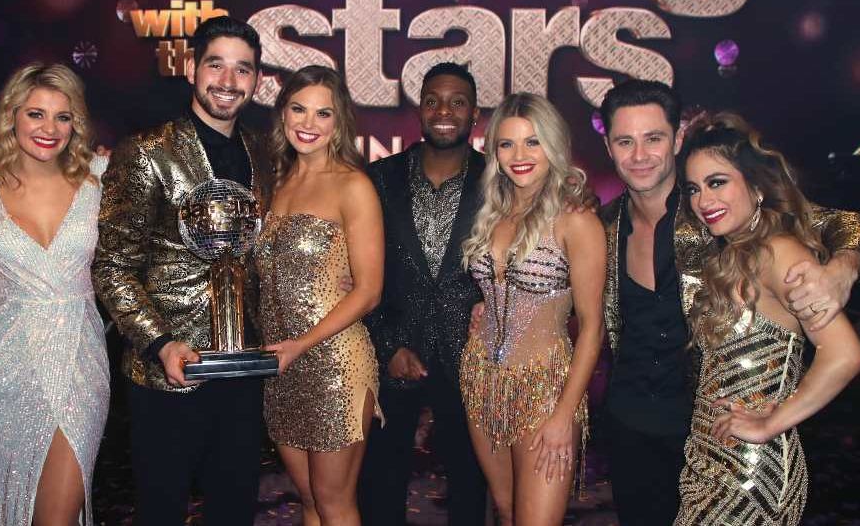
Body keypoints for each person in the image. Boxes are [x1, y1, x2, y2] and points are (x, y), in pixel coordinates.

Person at [595, 80, 860, 525]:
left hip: (717, 431)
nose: (640, 155)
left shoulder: (719, 206)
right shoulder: (603, 225)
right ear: (609, 147)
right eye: (625, 141)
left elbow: (846, 225)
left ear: (677, 138)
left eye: (653, 138)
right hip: (633, 429)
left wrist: (841, 270)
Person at [92, 16, 273, 525]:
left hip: (242, 369)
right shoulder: (146, 151)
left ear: (257, 80)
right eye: (216, 65)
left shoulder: (264, 153)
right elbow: (112, 265)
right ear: (192, 68)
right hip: (168, 371)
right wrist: (160, 343)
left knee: (235, 508)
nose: (228, 81)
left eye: (243, 69)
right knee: (162, 509)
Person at [674, 113, 860, 524]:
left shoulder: (779, 253)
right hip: (711, 458)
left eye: (717, 182)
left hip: (752, 472)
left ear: (757, 186)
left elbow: (845, 354)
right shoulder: (730, 256)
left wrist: (771, 424)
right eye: (694, 188)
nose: (703, 201)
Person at [0, 63, 109, 525]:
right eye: (36, 114)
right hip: (1, 362)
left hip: (79, 356)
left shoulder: (101, 177)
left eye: (63, 117)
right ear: (12, 115)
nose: (50, 129)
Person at [458, 93, 605, 525]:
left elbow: (593, 328)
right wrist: (483, 305)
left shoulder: (576, 220)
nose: (519, 156)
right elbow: (497, 286)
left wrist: (564, 416)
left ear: (553, 146)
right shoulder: (493, 213)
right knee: (505, 511)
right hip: (481, 378)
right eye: (507, 144)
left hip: (545, 388)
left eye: (533, 142)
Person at [358, 62, 488, 525]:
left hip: (471, 355)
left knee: (472, 483)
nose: (444, 111)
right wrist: (387, 345)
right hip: (394, 351)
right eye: (433, 100)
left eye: (457, 102)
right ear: (420, 109)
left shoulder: (500, 180)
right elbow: (355, 271)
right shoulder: (378, 179)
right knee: (380, 482)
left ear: (475, 113)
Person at [255, 65, 384, 525]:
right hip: (280, 366)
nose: (308, 123)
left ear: (339, 121)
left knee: (334, 502)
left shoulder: (353, 185)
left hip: (335, 364)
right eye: (298, 109)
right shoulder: (275, 181)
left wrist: (299, 346)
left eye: (322, 113)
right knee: (309, 500)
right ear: (283, 114)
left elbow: (368, 292)